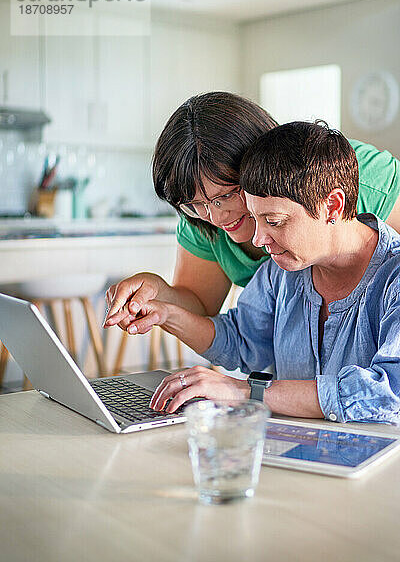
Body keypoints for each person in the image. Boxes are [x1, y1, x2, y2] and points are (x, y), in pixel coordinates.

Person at [128, 121, 400, 424]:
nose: (258, 240)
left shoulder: (394, 278)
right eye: (256, 219)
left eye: (274, 220)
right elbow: (241, 340)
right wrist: (166, 314)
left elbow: (388, 392)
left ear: (333, 206)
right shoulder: (282, 271)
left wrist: (246, 391)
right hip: (298, 450)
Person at [104, 92, 400, 335]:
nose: (216, 218)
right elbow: (204, 310)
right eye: (195, 204)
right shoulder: (200, 217)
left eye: (227, 195)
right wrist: (158, 293)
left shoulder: (361, 178)